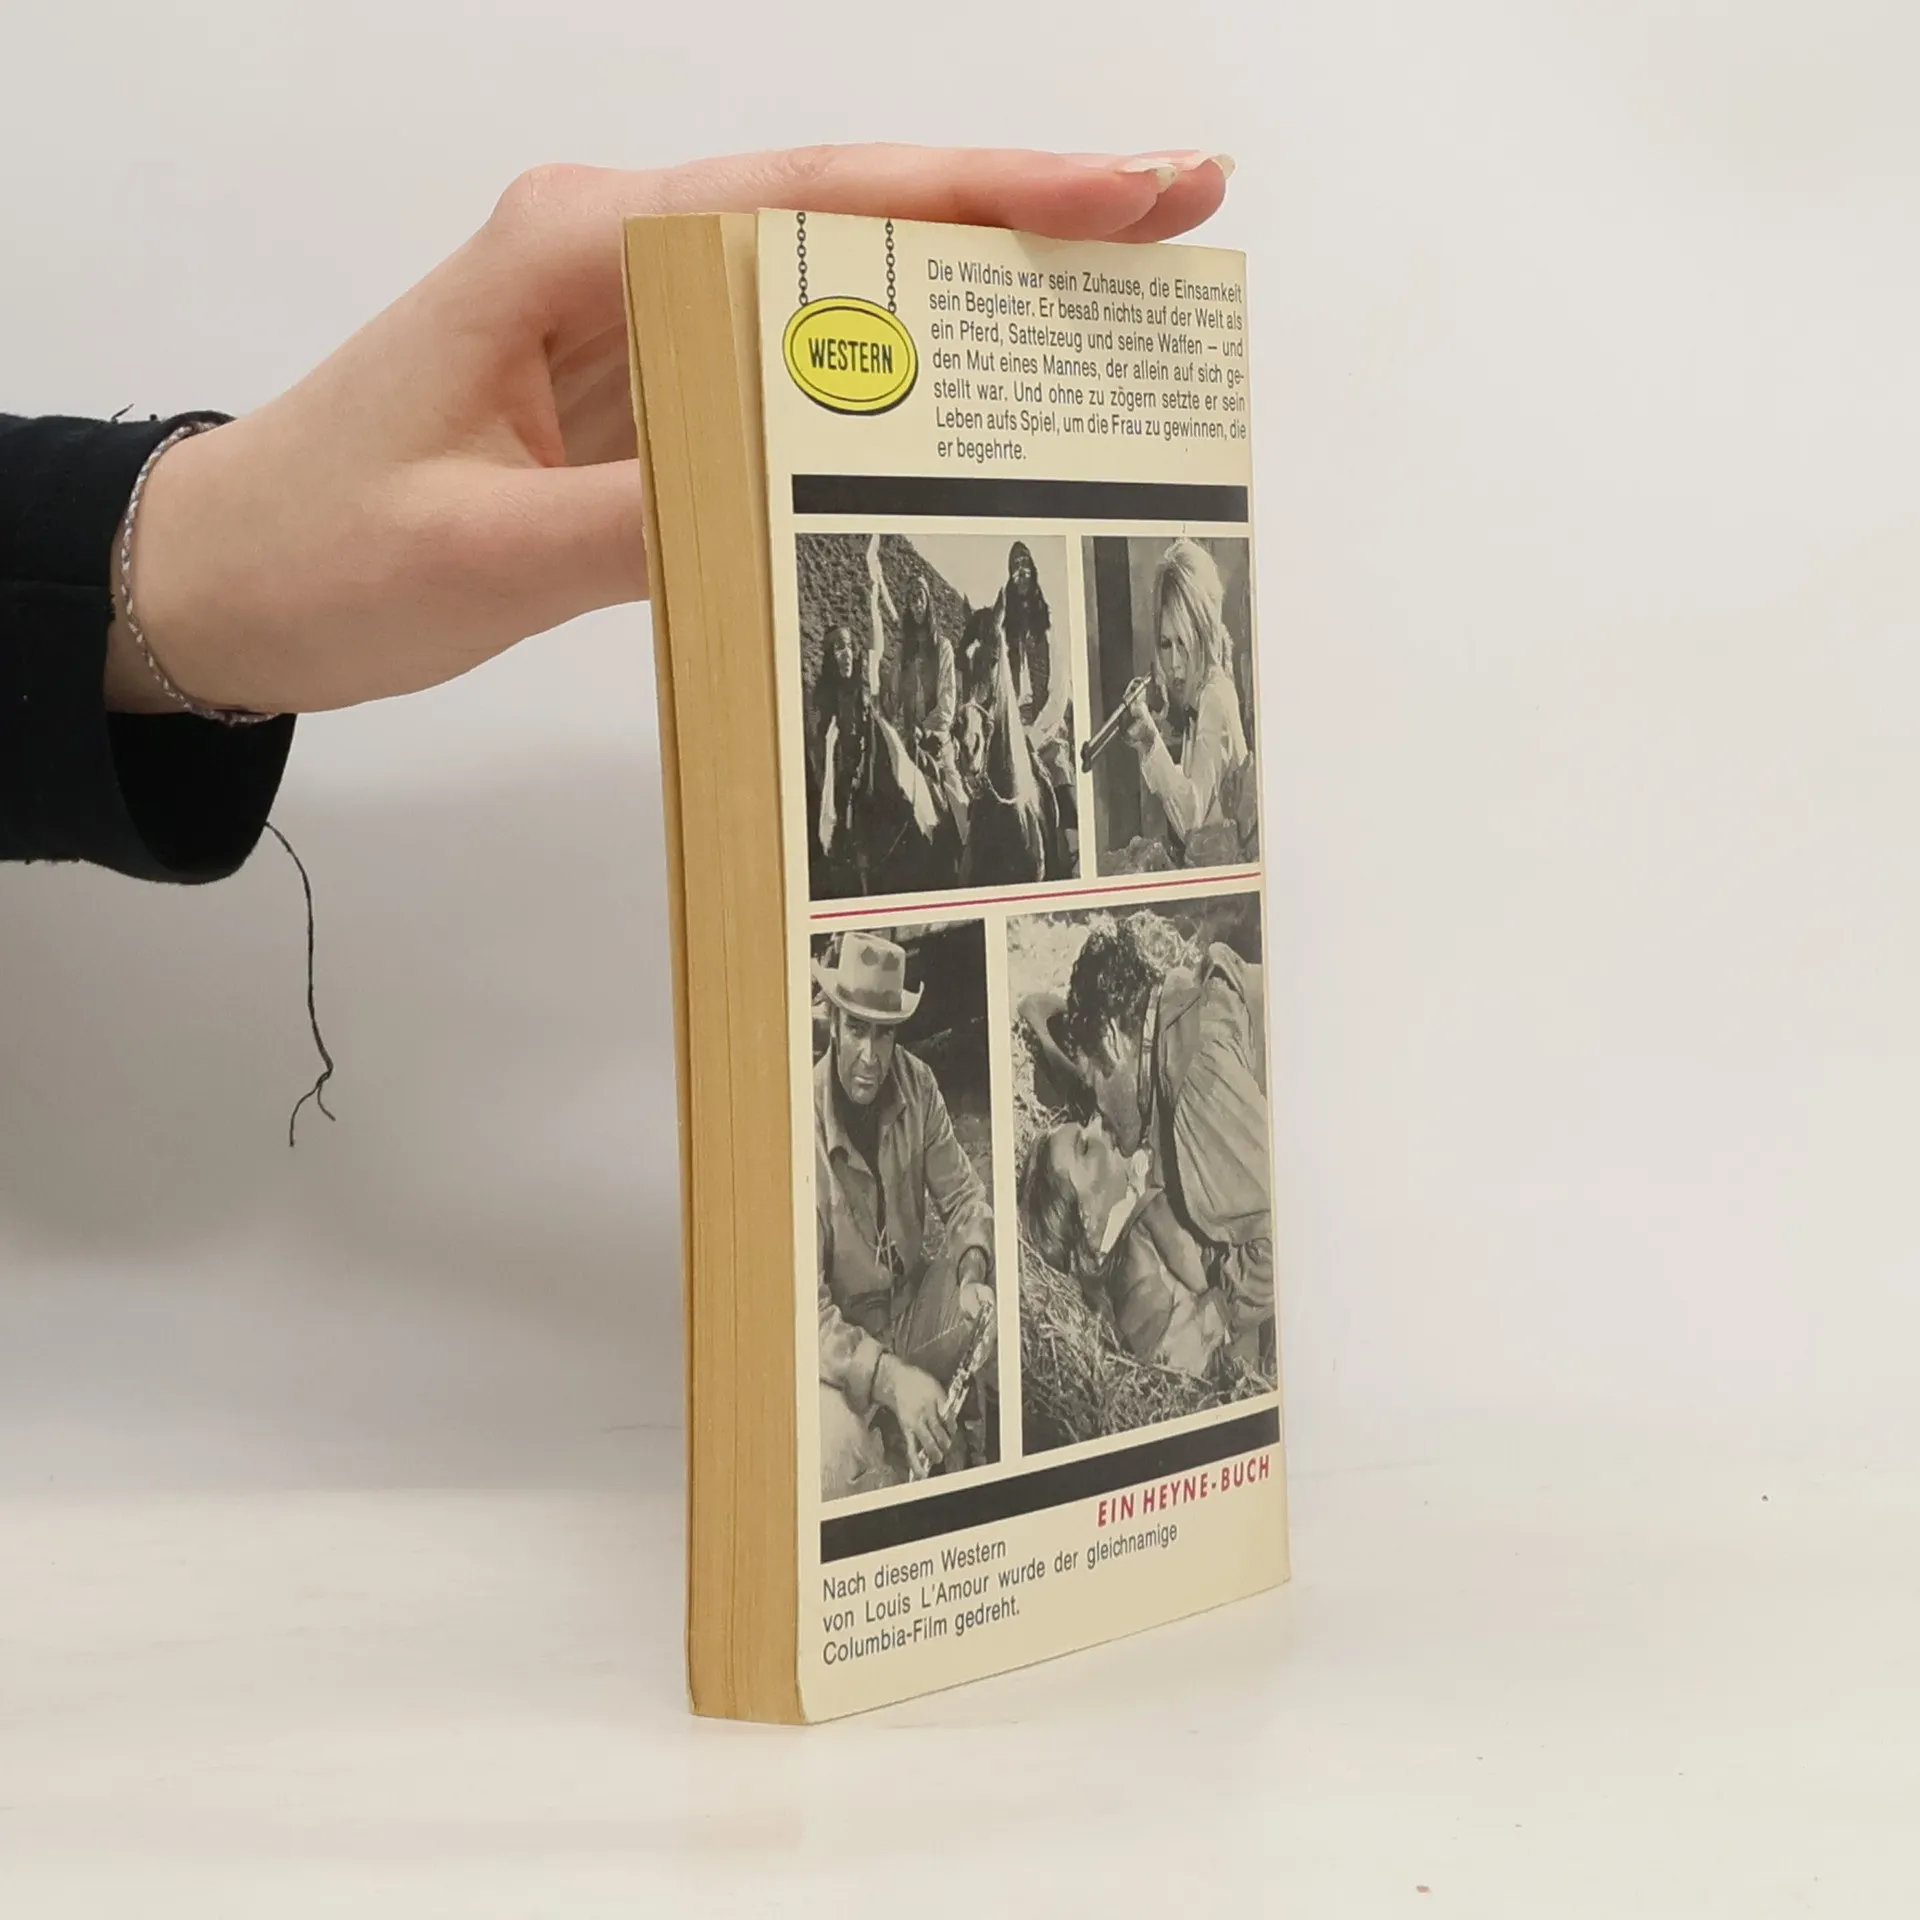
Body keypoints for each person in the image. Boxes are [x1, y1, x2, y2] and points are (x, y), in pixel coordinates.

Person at [0, 144, 1232, 881]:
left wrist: (174, 560)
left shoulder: (1196, 722)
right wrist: (182, 560)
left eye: (1178, 646)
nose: (1166, 663)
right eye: (1163, 643)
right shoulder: (955, 713)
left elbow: (1175, 810)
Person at [813, 932, 996, 1498]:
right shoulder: (799, 1122)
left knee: (995, 1306)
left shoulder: (918, 1087)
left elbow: (965, 1199)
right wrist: (892, 1381)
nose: (871, 1058)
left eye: (884, 1033)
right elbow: (804, 1316)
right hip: (837, 1361)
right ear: (832, 1023)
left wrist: (971, 1273)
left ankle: (972, 1456)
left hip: (908, 1316)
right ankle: (896, 1464)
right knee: (832, 1455)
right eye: (857, 1029)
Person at [1062, 916, 1273, 1366]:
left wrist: (1215, 1317)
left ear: (1112, 1040)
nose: (1097, 1111)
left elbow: (1287, 1230)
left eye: (1092, 1081)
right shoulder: (1177, 1020)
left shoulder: (1194, 1077)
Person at [1022, 1115, 1230, 1379]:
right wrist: (1216, 1296)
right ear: (1086, 1214)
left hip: (1182, 1370)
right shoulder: (1148, 1213)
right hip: (1210, 1344)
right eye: (1084, 1147)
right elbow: (1190, 1255)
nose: (1099, 1122)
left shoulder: (1107, 1289)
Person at [1117, 538, 1257, 868]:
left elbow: (1192, 819)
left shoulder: (1215, 696)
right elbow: (1200, 793)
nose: (1175, 664)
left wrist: (1151, 740)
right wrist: (1147, 743)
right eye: (1166, 644)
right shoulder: (1204, 693)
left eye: (1184, 643)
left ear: (1203, 635)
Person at [878, 556, 969, 840]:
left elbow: (947, 701)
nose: (916, 604)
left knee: (957, 798)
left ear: (928, 602)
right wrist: (880, 703)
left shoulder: (943, 648)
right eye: (911, 600)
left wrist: (925, 729)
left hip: (935, 742)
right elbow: (892, 699)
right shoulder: (902, 652)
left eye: (920, 598)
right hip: (907, 743)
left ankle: (967, 848)